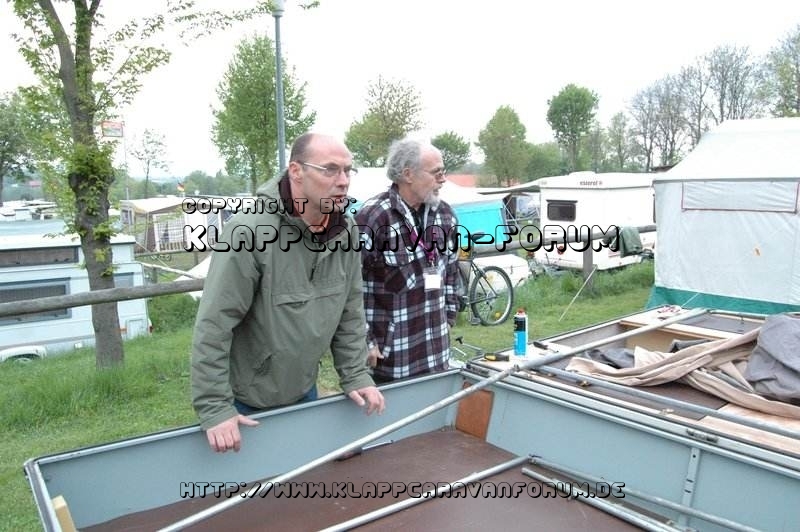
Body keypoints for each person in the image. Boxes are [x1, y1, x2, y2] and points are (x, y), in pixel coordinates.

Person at [191, 132, 385, 453]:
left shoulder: (345, 230)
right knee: (256, 484)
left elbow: (350, 309)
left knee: (301, 475)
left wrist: (356, 375)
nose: (343, 181)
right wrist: (214, 407)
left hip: (304, 390)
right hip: (245, 402)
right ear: (296, 171)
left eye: (348, 170)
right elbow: (215, 323)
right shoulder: (248, 231)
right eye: (330, 169)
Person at [355, 137, 460, 382]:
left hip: (436, 353)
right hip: (391, 358)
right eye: (436, 172)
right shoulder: (374, 217)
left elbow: (452, 270)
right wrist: (365, 340)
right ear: (408, 174)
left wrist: (449, 315)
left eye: (443, 172)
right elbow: (348, 287)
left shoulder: (445, 214)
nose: (443, 179)